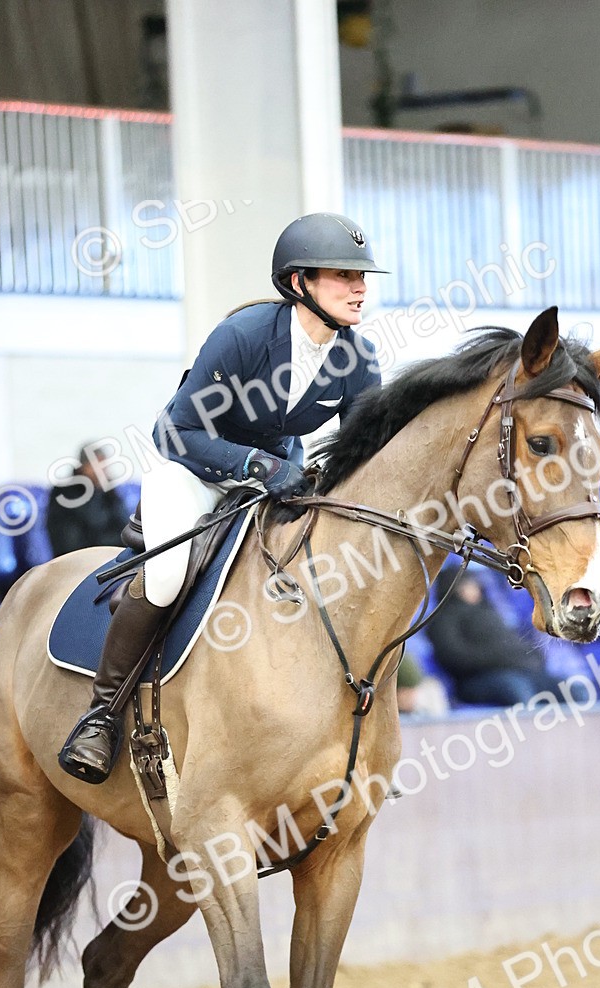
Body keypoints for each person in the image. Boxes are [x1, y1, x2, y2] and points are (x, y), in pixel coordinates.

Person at [59, 212, 386, 783]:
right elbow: (174, 431)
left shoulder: (357, 359)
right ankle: (100, 716)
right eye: (344, 275)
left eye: (361, 276)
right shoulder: (243, 336)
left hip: (277, 476)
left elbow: (361, 453)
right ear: (300, 282)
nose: (360, 287)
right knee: (166, 577)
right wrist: (258, 466)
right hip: (194, 469)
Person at [425, 565, 564, 707]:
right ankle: (529, 722)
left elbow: (514, 642)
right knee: (516, 688)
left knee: (568, 687)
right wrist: (501, 658)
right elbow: (454, 658)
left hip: (518, 670)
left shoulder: (490, 611)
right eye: (467, 584)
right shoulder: (443, 620)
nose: (474, 588)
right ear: (453, 588)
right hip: (477, 679)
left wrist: (531, 656)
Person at [46, 443, 130, 557]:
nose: (102, 470)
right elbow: (69, 543)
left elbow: (126, 531)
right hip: (77, 562)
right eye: (97, 464)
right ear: (83, 466)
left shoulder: (109, 493)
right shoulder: (64, 495)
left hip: (112, 559)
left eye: (104, 465)